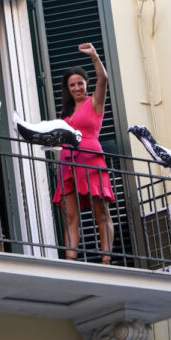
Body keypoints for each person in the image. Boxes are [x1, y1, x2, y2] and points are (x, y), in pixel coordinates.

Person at [52, 43, 115, 263]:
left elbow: (104, 79)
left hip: (91, 160)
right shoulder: (65, 113)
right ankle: (70, 260)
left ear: (86, 84)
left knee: (101, 214)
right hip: (68, 163)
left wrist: (95, 57)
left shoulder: (95, 103)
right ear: (68, 89)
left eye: (80, 83)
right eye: (72, 85)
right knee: (71, 216)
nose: (77, 87)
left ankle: (106, 261)